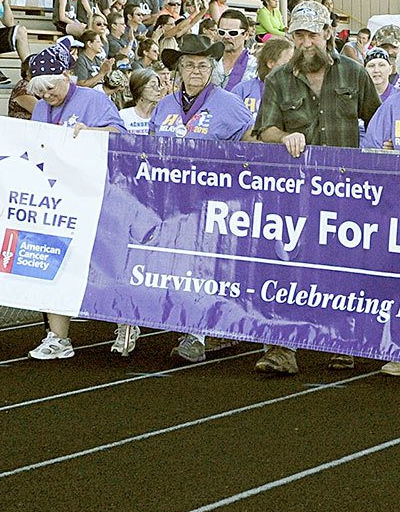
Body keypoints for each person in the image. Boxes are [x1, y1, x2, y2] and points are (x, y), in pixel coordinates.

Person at [253, 0, 382, 374]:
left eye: (312, 34)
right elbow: (266, 128)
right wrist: (285, 135)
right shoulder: (278, 80)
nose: (306, 42)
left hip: (346, 190)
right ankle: (281, 349)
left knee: (341, 263)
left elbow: (377, 124)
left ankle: (340, 339)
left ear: (328, 33)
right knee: (285, 261)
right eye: (299, 35)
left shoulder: (355, 74)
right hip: (296, 188)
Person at [150, 33, 255, 362]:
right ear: (179, 69)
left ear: (212, 69)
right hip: (171, 201)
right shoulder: (165, 105)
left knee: (202, 267)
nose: (196, 71)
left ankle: (196, 334)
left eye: (203, 65)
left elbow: (250, 140)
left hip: (213, 201)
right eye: (190, 65)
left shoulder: (228, 103)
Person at [25, 39, 128, 361]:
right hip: (57, 194)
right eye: (41, 92)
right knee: (52, 259)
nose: (47, 96)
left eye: (51, 88)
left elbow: (120, 133)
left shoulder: (93, 100)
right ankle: (57, 336)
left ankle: (125, 322)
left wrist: (89, 132)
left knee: (103, 261)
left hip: (93, 192)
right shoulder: (42, 107)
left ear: (66, 76)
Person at [233, 36, 293, 117]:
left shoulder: (297, 91)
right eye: (288, 63)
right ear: (271, 63)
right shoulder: (242, 90)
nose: (293, 67)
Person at [217, 9, 258, 90]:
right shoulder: (208, 62)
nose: (226, 37)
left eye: (232, 33)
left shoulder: (256, 67)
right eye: (222, 32)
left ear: (246, 35)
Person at [119, 67, 164, 134]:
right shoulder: (122, 116)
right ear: (139, 89)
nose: (159, 89)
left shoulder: (162, 116)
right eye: (153, 85)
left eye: (159, 85)